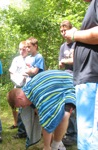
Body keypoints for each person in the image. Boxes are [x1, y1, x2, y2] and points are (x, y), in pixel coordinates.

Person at [7, 70, 76, 150]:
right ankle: (57, 142)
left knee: (64, 115)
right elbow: (42, 117)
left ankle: (56, 146)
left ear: (20, 98)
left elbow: (46, 119)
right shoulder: (28, 91)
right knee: (49, 117)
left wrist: (46, 147)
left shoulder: (38, 94)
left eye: (21, 106)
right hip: (56, 88)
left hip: (69, 84)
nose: (24, 107)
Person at [64, 0, 98, 149]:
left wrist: (75, 35)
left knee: (92, 134)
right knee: (85, 132)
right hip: (87, 78)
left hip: (93, 78)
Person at [13, 37, 45, 140]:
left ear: (35, 46)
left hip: (36, 88)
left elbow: (35, 71)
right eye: (26, 47)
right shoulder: (28, 58)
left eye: (29, 47)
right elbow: (25, 70)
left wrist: (27, 71)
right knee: (23, 109)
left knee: (37, 110)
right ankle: (22, 131)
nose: (27, 49)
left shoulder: (39, 57)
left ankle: (39, 132)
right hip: (27, 87)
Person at [59, 20, 77, 146]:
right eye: (61, 31)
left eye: (65, 30)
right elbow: (61, 63)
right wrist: (64, 61)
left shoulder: (77, 43)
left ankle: (74, 135)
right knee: (67, 107)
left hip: (78, 77)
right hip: (66, 77)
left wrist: (65, 60)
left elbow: (76, 61)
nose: (63, 33)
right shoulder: (63, 47)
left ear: (71, 29)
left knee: (75, 108)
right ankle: (70, 134)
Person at [8, 41, 28, 130]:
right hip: (17, 85)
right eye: (20, 49)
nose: (21, 51)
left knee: (25, 109)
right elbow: (12, 72)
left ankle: (24, 129)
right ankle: (17, 124)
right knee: (15, 106)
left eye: (23, 49)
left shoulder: (31, 59)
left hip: (27, 87)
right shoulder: (16, 59)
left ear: (27, 49)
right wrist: (18, 79)